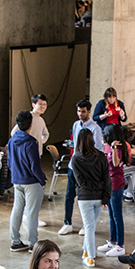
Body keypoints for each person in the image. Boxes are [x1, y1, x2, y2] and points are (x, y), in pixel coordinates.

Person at [57, 99, 104, 237]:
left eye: (83, 111)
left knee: (86, 198)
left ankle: (86, 225)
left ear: (89, 111)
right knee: (69, 195)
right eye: (78, 111)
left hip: (87, 168)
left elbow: (98, 150)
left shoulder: (95, 129)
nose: (80, 114)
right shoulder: (75, 125)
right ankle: (67, 223)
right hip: (74, 164)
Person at [8, 110, 46, 252]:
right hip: (31, 182)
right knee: (31, 213)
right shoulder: (31, 142)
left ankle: (15, 241)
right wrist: (42, 180)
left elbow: (10, 162)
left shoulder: (11, 141)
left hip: (17, 181)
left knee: (17, 210)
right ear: (31, 124)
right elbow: (35, 166)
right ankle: (33, 244)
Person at [68, 133, 109, 266]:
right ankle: (86, 250)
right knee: (91, 225)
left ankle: (91, 258)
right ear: (92, 140)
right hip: (99, 197)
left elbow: (79, 181)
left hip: (84, 197)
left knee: (89, 227)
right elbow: (107, 178)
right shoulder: (101, 156)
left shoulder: (75, 159)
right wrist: (105, 197)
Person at [102, 126, 131, 256]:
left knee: (117, 215)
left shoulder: (118, 148)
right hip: (109, 184)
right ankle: (113, 241)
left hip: (116, 185)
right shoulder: (108, 146)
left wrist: (113, 148)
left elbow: (115, 163)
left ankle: (120, 245)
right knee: (111, 214)